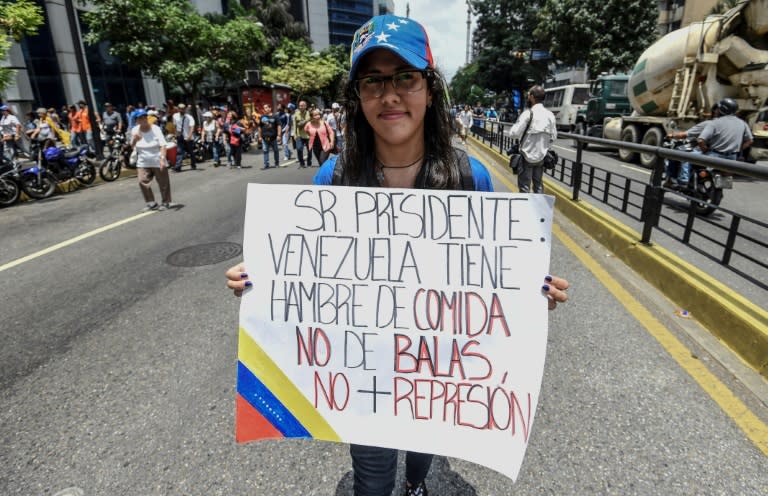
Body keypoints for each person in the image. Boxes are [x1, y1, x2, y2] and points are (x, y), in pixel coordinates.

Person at [225, 14, 569, 496]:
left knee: (424, 443)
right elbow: (307, 266)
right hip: (363, 370)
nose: (389, 95)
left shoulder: (470, 178)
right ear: (357, 97)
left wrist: (532, 290)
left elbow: (495, 270)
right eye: (373, 82)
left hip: (436, 366)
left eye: (405, 77)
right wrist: (260, 280)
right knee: (370, 474)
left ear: (430, 89)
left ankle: (417, 482)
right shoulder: (334, 177)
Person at [679, 98, 753, 184]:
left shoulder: (715, 123)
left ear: (722, 110)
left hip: (714, 156)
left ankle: (683, 180)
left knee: (685, 157)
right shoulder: (742, 123)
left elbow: (700, 140)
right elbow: (749, 141)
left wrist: (705, 150)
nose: (716, 110)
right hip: (732, 158)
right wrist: (738, 150)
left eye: (718, 108)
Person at [508, 86, 557, 194]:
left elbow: (513, 134)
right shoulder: (550, 115)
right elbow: (553, 137)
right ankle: (538, 208)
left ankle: (526, 209)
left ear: (532, 97)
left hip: (526, 156)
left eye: (528, 95)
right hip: (541, 157)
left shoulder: (528, 113)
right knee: (538, 186)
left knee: (525, 188)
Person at [130, 109, 173, 211]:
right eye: (141, 118)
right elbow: (132, 145)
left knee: (163, 182)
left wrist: (162, 159)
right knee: (142, 181)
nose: (144, 119)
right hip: (143, 161)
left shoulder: (156, 129)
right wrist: (135, 139)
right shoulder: (135, 130)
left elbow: (163, 145)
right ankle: (151, 203)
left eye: (145, 117)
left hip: (157, 159)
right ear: (137, 121)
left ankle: (166, 202)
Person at [173, 103, 196, 171]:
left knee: (191, 152)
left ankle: (193, 164)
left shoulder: (189, 117)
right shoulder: (175, 116)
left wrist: (189, 136)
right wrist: (175, 134)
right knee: (179, 151)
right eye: (180, 108)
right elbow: (175, 126)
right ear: (178, 109)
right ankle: (178, 166)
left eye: (183, 109)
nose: (181, 110)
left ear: (185, 109)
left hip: (188, 137)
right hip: (180, 136)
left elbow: (192, 127)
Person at [258, 103, 281, 169]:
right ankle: (266, 164)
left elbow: (279, 126)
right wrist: (259, 136)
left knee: (276, 150)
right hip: (264, 137)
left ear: (270, 108)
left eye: (266, 107)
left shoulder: (275, 116)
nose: (265, 109)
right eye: (264, 108)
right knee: (265, 150)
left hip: (273, 137)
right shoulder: (262, 117)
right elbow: (259, 127)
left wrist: (279, 135)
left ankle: (277, 163)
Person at [292, 100, 312, 168]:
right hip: (299, 134)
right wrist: (294, 134)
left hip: (308, 135)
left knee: (309, 150)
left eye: (302, 105)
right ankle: (302, 163)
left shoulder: (309, 113)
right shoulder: (296, 114)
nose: (300, 107)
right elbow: (295, 125)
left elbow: (309, 122)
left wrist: (302, 122)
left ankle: (309, 162)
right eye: (300, 106)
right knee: (299, 149)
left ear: (305, 106)